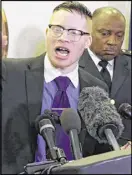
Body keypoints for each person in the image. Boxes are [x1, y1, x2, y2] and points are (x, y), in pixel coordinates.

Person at [1, 2, 120, 174]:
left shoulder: (96, 88)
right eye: (57, 29)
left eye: (74, 32)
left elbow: (97, 150)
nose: (63, 37)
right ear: (47, 32)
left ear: (87, 41)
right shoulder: (10, 73)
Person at [79, 7, 131, 147]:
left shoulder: (129, 64)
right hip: (85, 156)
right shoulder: (73, 64)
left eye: (119, 35)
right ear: (89, 32)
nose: (112, 41)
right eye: (105, 33)